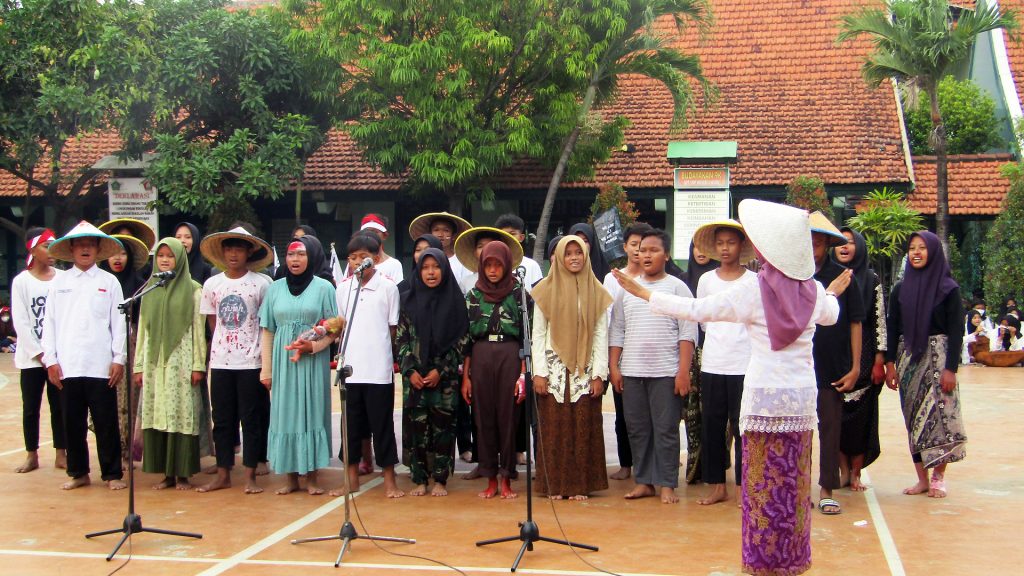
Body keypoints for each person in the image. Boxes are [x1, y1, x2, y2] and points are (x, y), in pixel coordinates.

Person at [614, 200, 850, 576]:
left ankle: (761, 561)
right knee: (793, 484)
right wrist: (832, 291)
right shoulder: (813, 292)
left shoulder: (754, 291)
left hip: (762, 403)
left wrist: (645, 294)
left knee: (762, 486)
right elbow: (832, 314)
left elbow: (697, 310)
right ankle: (792, 560)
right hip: (800, 404)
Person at [609, 228, 697, 504]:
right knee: (637, 429)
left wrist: (683, 371)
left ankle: (667, 483)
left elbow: (687, 332)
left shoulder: (677, 288)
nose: (646, 255)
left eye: (653, 250)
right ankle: (644, 481)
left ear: (666, 255)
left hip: (666, 373)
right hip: (632, 371)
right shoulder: (627, 289)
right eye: (642, 250)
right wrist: (614, 367)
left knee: (666, 429)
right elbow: (617, 330)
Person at [42, 221, 128, 490]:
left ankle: (112, 474)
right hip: (68, 365)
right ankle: (78, 472)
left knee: (106, 422)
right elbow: (49, 324)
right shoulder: (59, 283)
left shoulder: (109, 282)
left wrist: (119, 358)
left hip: (100, 364)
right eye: (80, 244)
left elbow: (119, 323)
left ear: (98, 249)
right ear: (71, 249)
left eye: (90, 244)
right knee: (72, 422)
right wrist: (51, 360)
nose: (85, 249)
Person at [885, 230, 967, 499]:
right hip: (909, 361)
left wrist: (951, 368)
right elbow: (892, 327)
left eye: (922, 247)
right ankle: (921, 479)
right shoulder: (900, 289)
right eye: (912, 248)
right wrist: (890, 364)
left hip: (939, 361)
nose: (916, 253)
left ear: (933, 252)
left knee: (942, 418)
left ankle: (938, 477)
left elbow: (956, 331)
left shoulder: (949, 290)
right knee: (914, 420)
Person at [531, 235, 612, 500]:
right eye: (568, 253)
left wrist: (599, 374)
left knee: (583, 426)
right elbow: (538, 334)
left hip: (584, 370)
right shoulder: (545, 289)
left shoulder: (595, 289)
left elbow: (600, 334)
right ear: (559, 257)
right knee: (554, 429)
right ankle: (554, 486)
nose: (574, 257)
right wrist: (539, 373)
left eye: (579, 252)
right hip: (553, 370)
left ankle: (580, 486)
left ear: (586, 256)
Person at [196, 227, 274, 493]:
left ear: (248, 252)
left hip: (251, 361)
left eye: (238, 249)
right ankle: (223, 473)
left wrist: (264, 361)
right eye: (229, 249)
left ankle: (251, 474)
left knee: (251, 419)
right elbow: (213, 322)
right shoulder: (212, 284)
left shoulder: (262, 284)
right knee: (222, 419)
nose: (233, 254)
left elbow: (266, 323)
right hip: (221, 362)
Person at [260, 235, 338, 495]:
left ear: (312, 256)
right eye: (291, 254)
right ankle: (291, 477)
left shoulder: (324, 288)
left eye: (301, 254)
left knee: (312, 412)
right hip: (284, 363)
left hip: (312, 363)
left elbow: (334, 329)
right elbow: (268, 330)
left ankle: (312, 477)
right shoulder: (274, 288)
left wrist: (312, 346)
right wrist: (266, 370)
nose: (295, 259)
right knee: (285, 414)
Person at [332, 232, 404, 498]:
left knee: (382, 424)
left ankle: (389, 479)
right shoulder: (343, 289)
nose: (357, 262)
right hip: (351, 369)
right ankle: (351, 478)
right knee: (350, 426)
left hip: (378, 369)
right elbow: (341, 325)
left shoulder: (388, 288)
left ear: (375, 258)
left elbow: (392, 328)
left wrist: (385, 355)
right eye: (352, 257)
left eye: (363, 257)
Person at [690, 220, 757, 506]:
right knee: (713, 425)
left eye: (731, 242)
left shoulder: (753, 281)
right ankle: (718, 486)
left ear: (741, 246)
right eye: (720, 243)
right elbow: (703, 320)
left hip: (745, 363)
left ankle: (744, 487)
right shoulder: (706, 280)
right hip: (714, 362)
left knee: (744, 427)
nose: (725, 248)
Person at [133, 238, 207, 490]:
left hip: (182, 362)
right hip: (155, 364)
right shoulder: (149, 290)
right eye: (161, 255)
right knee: (159, 412)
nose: (165, 260)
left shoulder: (194, 290)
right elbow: (143, 331)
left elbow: (198, 330)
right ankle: (166, 474)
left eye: (170, 255)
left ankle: (183, 473)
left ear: (180, 259)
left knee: (181, 413)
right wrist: (139, 365)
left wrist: (198, 365)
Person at [396, 247, 469, 496]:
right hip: (415, 378)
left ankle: (440, 479)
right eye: (425, 267)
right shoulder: (408, 301)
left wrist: (441, 370)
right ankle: (420, 479)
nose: (430, 272)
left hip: (445, 380)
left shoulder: (455, 302)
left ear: (444, 270)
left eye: (436, 267)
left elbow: (462, 341)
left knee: (443, 428)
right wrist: (410, 371)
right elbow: (401, 339)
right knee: (416, 429)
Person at [462, 241, 526, 499]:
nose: (492, 270)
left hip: (510, 354)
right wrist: (466, 377)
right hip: (480, 356)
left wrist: (523, 374)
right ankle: (490, 478)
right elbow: (466, 339)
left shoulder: (519, 293)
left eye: (497, 264)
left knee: (509, 417)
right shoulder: (473, 295)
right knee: (483, 416)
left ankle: (507, 478)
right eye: (487, 264)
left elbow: (527, 337)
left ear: (507, 265)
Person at [833, 226, 888, 492]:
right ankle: (843, 470)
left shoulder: (871, 278)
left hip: (865, 353)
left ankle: (856, 472)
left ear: (860, 247)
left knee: (862, 419)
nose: (844, 246)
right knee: (835, 417)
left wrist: (880, 359)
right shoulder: (827, 276)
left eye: (850, 242)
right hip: (834, 352)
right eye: (840, 242)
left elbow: (879, 320)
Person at [11, 227, 66, 473]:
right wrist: (41, 354)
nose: (52, 250)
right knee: (31, 407)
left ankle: (61, 453)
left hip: (58, 356)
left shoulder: (63, 278)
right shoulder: (21, 281)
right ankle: (31, 454)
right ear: (33, 249)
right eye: (46, 246)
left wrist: (54, 354)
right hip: (32, 359)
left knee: (59, 405)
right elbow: (21, 322)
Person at [601, 222, 652, 481]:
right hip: (621, 353)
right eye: (634, 245)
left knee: (650, 414)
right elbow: (609, 318)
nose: (639, 250)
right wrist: (613, 362)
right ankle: (626, 464)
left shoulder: (656, 279)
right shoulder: (612, 279)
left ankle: (651, 465)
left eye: (644, 246)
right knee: (624, 414)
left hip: (650, 355)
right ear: (625, 247)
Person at [99, 232, 150, 465]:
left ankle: (130, 446)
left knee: (130, 397)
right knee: (106, 397)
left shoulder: (141, 286)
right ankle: (112, 447)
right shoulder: (99, 283)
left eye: (122, 253)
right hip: (102, 345)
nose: (117, 258)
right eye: (113, 253)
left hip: (132, 345)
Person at [409, 212, 473, 293]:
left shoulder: (462, 261)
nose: (440, 234)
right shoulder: (423, 259)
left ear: (453, 236)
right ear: (430, 234)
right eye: (436, 230)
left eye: (446, 230)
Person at [494, 213, 544, 291]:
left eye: (512, 234)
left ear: (521, 237)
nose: (508, 238)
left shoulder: (532, 265)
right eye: (504, 235)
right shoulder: (491, 265)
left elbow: (540, 294)